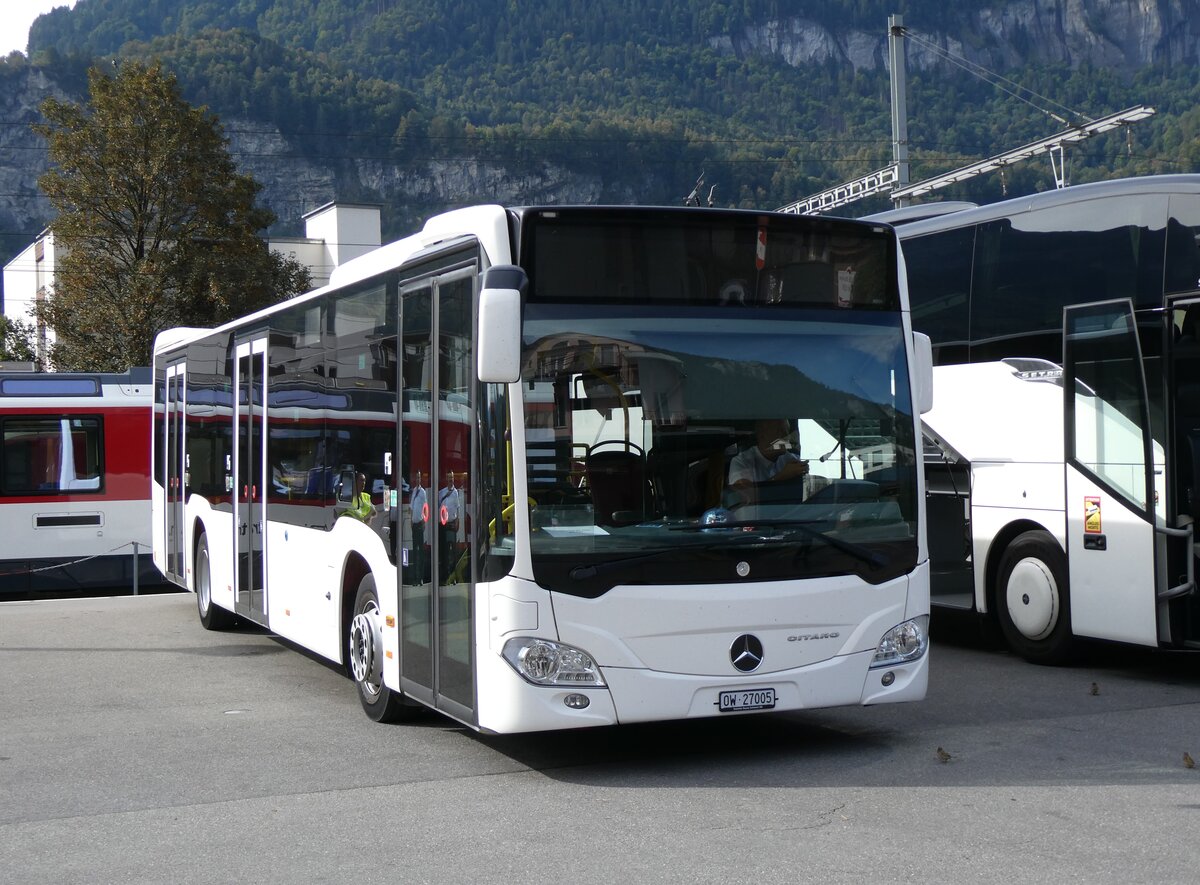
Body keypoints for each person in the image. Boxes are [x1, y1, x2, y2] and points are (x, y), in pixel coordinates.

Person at [727, 418, 809, 507]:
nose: (786, 436)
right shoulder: (742, 462)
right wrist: (781, 477)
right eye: (780, 431)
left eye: (787, 431)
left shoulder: (790, 459)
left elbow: (805, 493)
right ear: (762, 435)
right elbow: (746, 497)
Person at [438, 470, 461, 581]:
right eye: (449, 478)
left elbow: (457, 508)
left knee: (453, 551)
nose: (451, 480)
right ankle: (446, 575)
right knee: (444, 551)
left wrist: (457, 522)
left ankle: (453, 575)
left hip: (452, 524)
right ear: (446, 479)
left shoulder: (456, 492)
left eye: (452, 478)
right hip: (443, 525)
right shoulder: (441, 493)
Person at [410, 470, 429, 583]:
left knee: (420, 552)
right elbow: (411, 508)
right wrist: (410, 521)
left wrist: (424, 521)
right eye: (416, 477)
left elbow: (426, 507)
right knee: (415, 552)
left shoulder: (423, 492)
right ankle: (415, 578)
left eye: (419, 477)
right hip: (414, 525)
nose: (418, 479)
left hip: (420, 525)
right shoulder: (413, 491)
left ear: (421, 479)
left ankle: (421, 577)